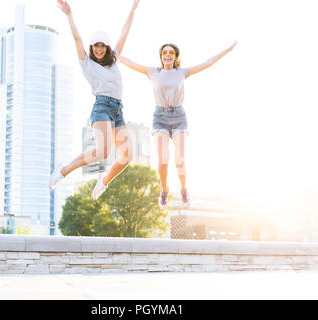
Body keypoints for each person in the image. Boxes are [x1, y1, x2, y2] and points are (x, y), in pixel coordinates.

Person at [120, 41, 237, 209]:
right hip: (160, 117)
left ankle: (183, 190)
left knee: (180, 160)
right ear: (161, 56)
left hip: (179, 117)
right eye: (165, 52)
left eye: (171, 53)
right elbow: (128, 62)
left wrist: (227, 49)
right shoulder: (153, 72)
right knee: (163, 161)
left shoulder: (182, 72)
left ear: (175, 57)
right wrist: (112, 50)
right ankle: (164, 191)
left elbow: (208, 63)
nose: (168, 54)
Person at [50, 0, 140, 200]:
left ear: (107, 48)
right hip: (102, 108)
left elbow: (125, 32)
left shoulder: (114, 58)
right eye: (96, 46)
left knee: (126, 155)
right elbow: (76, 38)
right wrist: (69, 15)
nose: (99, 49)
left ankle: (104, 181)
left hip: (118, 110)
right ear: (92, 47)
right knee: (102, 152)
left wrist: (133, 8)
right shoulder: (86, 63)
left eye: (102, 46)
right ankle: (63, 171)